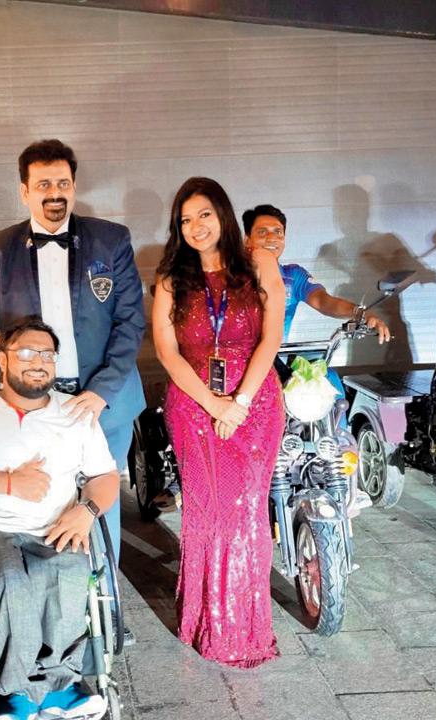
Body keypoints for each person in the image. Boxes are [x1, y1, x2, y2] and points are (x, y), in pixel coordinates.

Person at [0, 139, 144, 577]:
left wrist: (100, 392)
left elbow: (130, 322)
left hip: (102, 400)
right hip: (35, 401)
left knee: (99, 499)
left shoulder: (111, 240)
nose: (53, 193)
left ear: (74, 186)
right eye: (43, 184)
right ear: (24, 191)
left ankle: (105, 605)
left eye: (62, 182)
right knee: (44, 499)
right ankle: (56, 602)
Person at [0, 317, 117, 720]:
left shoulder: (75, 411)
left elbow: (104, 476)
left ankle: (54, 691)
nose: (39, 362)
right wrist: (9, 482)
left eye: (48, 354)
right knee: (13, 582)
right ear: (1, 359)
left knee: (67, 574)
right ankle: (24, 695)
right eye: (27, 352)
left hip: (53, 528)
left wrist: (87, 510)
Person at [152, 177, 285, 668]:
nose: (195, 227)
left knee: (247, 511)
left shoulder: (259, 263)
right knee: (205, 514)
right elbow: (167, 352)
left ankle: (245, 630)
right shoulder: (171, 279)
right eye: (185, 220)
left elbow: (270, 340)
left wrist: (241, 402)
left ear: (224, 214)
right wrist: (214, 404)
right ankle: (204, 623)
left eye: (203, 214)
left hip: (255, 403)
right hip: (194, 404)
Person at [241, 204, 390, 343]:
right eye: (262, 232)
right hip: (236, 363)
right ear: (247, 240)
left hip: (278, 363)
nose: (272, 238)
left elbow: (324, 301)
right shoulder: (230, 276)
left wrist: (361, 313)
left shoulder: (293, 276)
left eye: (278, 232)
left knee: (329, 372)